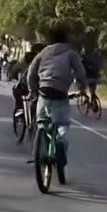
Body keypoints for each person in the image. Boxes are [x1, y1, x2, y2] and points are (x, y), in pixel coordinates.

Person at [27, 24, 88, 184]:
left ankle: (41, 147)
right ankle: (60, 155)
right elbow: (80, 73)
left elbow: (31, 73)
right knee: (62, 127)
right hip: (61, 95)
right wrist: (82, 88)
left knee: (42, 123)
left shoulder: (43, 53)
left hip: (43, 94)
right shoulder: (70, 53)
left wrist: (33, 91)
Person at [81, 47, 102, 112]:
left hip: (88, 78)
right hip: (95, 77)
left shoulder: (83, 60)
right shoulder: (95, 59)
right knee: (92, 90)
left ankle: (87, 98)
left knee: (82, 88)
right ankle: (92, 99)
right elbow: (98, 67)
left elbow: (80, 70)